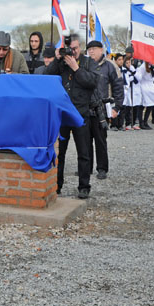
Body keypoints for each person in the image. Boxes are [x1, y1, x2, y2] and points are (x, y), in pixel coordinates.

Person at [43, 33, 99, 199]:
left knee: (84, 151)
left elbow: (92, 82)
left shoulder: (88, 62)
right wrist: (57, 59)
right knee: (60, 152)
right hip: (61, 113)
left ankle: (84, 186)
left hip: (81, 112)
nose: (71, 52)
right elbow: (46, 77)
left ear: (79, 47)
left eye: (74, 49)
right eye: (69, 49)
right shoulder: (61, 63)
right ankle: (57, 185)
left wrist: (76, 68)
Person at [87, 40, 123, 180]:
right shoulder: (84, 64)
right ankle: (86, 167)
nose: (91, 52)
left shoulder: (110, 66)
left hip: (101, 108)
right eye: (89, 49)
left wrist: (117, 107)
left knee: (100, 140)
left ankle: (102, 168)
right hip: (85, 108)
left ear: (101, 50)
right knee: (85, 140)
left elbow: (118, 87)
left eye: (94, 49)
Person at [138, 62, 154, 129]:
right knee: (142, 106)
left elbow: (153, 77)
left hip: (150, 86)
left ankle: (145, 122)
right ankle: (141, 123)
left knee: (151, 104)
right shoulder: (143, 67)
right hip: (144, 86)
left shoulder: (151, 66)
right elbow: (139, 77)